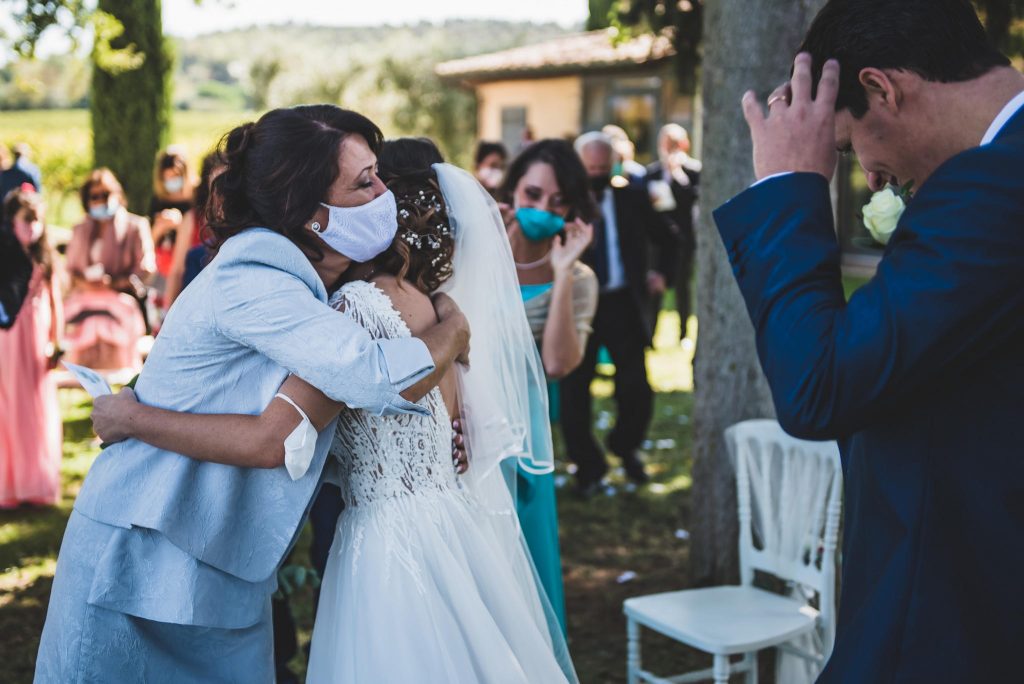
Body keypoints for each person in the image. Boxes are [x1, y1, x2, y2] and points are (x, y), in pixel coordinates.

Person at [90, 162, 578, 683]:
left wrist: (132, 417)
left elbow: (276, 437)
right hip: (452, 523)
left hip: (388, 538)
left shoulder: (353, 310)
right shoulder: (435, 306)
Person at [34, 105, 469, 684]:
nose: (385, 193)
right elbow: (373, 377)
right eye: (365, 181)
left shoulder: (317, 290)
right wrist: (452, 332)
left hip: (221, 553)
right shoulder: (255, 275)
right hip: (142, 547)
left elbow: (289, 431)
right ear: (310, 214)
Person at [712, 1, 1024, 681]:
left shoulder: (998, 182)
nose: (872, 178)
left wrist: (788, 185)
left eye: (850, 149)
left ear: (881, 89)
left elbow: (818, 385)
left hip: (953, 617)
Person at [497, 138, 599, 633]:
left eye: (558, 202)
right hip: (460, 422)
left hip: (524, 433)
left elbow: (556, 364)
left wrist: (561, 275)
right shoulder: (475, 251)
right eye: (533, 195)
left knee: (524, 553)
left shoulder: (579, 279)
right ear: (512, 191)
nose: (542, 210)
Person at [561, 132, 677, 495]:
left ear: (613, 165)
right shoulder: (564, 204)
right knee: (575, 388)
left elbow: (669, 237)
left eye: (603, 167)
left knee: (635, 386)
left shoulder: (632, 197)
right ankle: (587, 466)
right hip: (579, 305)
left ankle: (626, 447)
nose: (596, 174)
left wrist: (662, 273)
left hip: (622, 302)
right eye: (590, 168)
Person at [0, 186, 63, 509]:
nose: (33, 226)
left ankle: (36, 481)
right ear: (12, 220)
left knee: (37, 406)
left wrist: (57, 341)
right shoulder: (5, 257)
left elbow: (55, 302)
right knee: (9, 405)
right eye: (27, 219)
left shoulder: (44, 257)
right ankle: (9, 483)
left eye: (38, 219)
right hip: (9, 338)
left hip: (37, 337)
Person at [63, 168, 155, 371]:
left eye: (105, 194)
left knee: (123, 313)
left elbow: (146, 267)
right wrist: (85, 284)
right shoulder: (80, 229)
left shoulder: (135, 226)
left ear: (117, 194)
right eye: (94, 196)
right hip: (85, 296)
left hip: (120, 296)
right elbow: (69, 271)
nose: (100, 200)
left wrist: (115, 283)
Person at [645, 124, 701, 343]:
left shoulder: (693, 171)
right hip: (658, 241)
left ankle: (684, 334)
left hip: (684, 239)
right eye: (666, 143)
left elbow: (693, 199)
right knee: (655, 286)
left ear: (684, 144)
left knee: (682, 286)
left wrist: (677, 174)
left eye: (674, 143)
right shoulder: (653, 172)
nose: (669, 148)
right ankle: (650, 334)